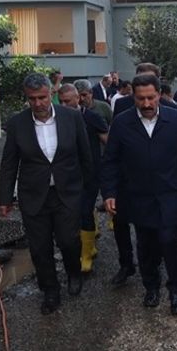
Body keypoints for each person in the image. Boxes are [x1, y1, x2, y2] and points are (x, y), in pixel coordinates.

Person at [100, 74, 177, 314]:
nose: (146, 104)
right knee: (146, 245)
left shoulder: (174, 118)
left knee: (169, 243)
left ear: (159, 95)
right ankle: (151, 287)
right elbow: (111, 161)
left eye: (151, 98)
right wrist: (110, 192)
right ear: (133, 97)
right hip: (137, 196)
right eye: (141, 99)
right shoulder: (122, 123)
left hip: (170, 195)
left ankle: (175, 291)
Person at [0, 73, 93, 313]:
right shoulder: (18, 124)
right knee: (39, 247)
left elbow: (85, 156)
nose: (38, 103)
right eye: (32, 99)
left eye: (42, 97)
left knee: (69, 240)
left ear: (51, 93)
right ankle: (50, 290)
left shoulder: (71, 117)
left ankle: (73, 273)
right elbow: (9, 163)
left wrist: (90, 189)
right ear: (27, 98)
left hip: (67, 192)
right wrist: (5, 198)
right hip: (34, 195)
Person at [62, 83, 110, 274]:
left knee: (84, 211)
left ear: (78, 98)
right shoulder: (57, 120)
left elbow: (108, 142)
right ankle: (82, 247)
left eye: (68, 101)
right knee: (71, 214)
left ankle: (87, 254)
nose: (64, 105)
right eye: (62, 101)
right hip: (67, 174)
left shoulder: (92, 117)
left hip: (90, 173)